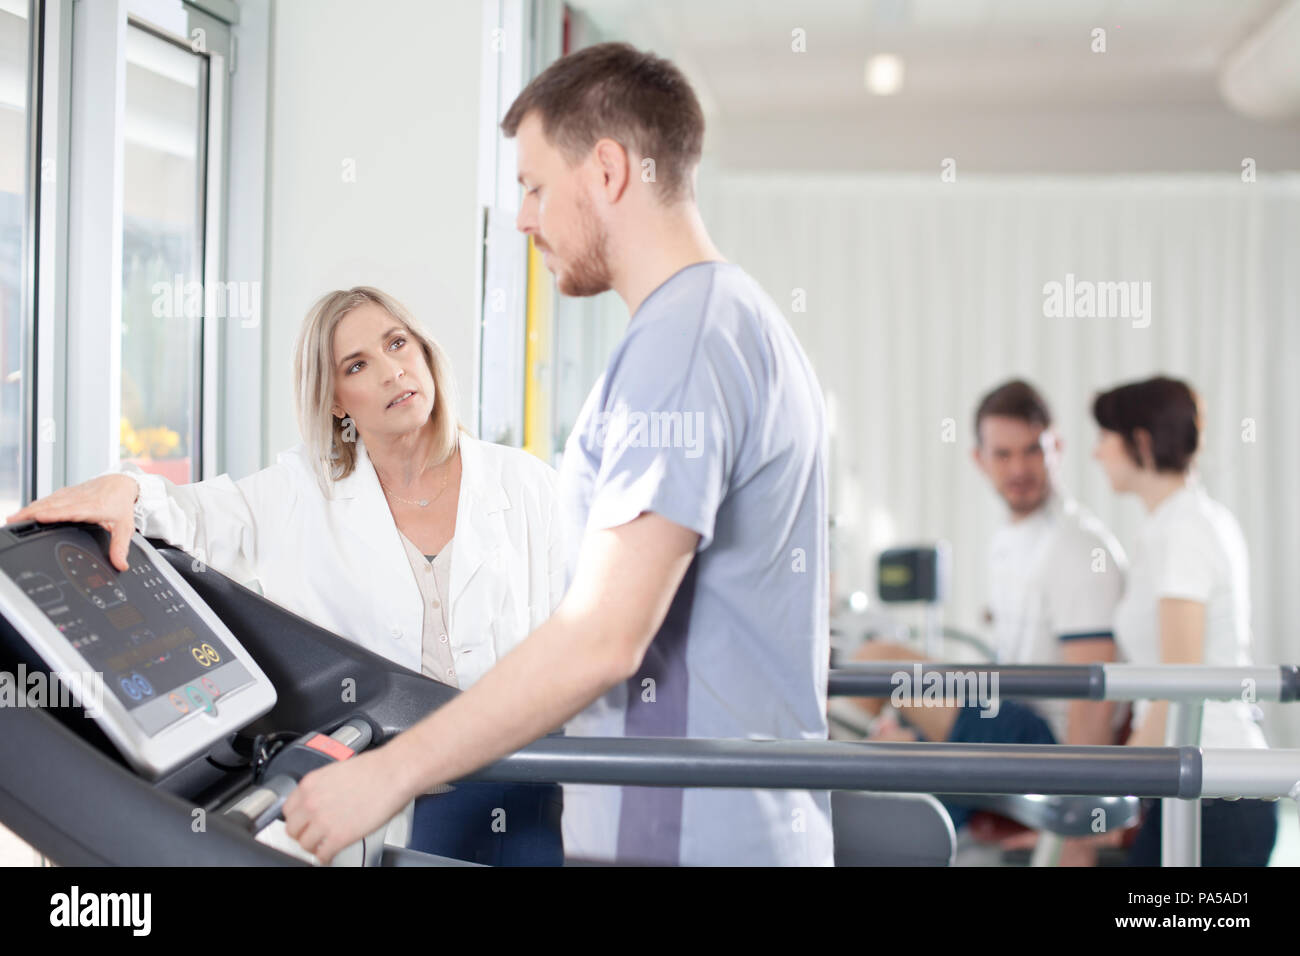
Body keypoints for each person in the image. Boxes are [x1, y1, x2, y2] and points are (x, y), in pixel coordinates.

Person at [281, 42, 835, 866]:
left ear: (607, 171)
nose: (524, 217)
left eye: (535, 186)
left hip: (683, 838)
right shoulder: (730, 317)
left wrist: (388, 775)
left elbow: (603, 637)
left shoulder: (681, 346)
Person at [7, 286, 566, 865]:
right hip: (378, 796)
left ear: (424, 352)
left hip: (513, 780)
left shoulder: (526, 485)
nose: (391, 372)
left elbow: (584, 636)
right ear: (336, 403)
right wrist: (125, 488)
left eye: (397, 343)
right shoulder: (301, 491)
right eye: (357, 365)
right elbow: (194, 515)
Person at [850, 380, 1127, 862]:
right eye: (1003, 454)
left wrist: (1073, 826)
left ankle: (838, 789)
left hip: (1046, 741)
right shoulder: (1008, 543)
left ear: (1057, 448)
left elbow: (1095, 701)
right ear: (979, 459)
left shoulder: (1078, 548)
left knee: (875, 663)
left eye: (1032, 452)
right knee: (890, 722)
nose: (1018, 468)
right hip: (1010, 713)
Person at [1092, 375, 1276, 866]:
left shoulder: (1184, 531)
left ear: (1141, 442)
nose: (1097, 453)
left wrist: (1112, 792)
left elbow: (1178, 685)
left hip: (1218, 792)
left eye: (1105, 437)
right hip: (1200, 784)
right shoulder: (1175, 523)